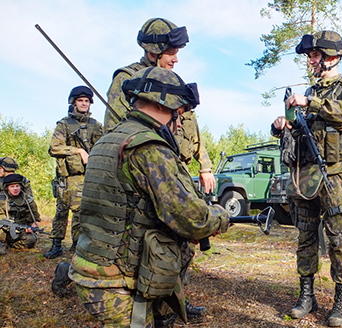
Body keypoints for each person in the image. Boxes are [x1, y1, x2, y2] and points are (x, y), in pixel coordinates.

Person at [68, 66, 229, 327]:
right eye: (179, 115)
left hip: (90, 269)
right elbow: (190, 217)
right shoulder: (149, 148)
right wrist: (220, 218)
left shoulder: (107, 140)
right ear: (169, 107)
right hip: (117, 284)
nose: (179, 125)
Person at [270, 30, 342, 326]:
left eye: (314, 56)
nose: (311, 61)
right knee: (305, 237)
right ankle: (306, 295)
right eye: (310, 56)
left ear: (331, 57)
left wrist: (310, 104)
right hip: (306, 176)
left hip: (335, 175)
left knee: (339, 239)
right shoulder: (309, 92)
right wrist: (282, 127)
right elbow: (302, 133)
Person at [103, 17, 215, 194]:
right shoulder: (128, 80)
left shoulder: (170, 83)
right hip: (146, 174)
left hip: (175, 169)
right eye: (171, 53)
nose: (176, 59)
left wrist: (205, 167)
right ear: (153, 53)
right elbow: (113, 132)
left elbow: (190, 124)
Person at [43, 86, 103, 259]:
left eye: (86, 101)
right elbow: (54, 148)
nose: (84, 104)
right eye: (80, 101)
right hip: (67, 176)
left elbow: (102, 146)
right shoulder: (64, 124)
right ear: (74, 102)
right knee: (62, 210)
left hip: (87, 175)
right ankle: (56, 244)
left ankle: (77, 244)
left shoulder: (96, 126)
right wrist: (77, 151)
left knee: (81, 211)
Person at [0, 174, 41, 254]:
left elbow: (36, 218)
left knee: (30, 241)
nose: (15, 189)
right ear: (7, 188)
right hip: (4, 228)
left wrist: (32, 227)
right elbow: (2, 219)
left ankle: (12, 244)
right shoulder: (1, 200)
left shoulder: (28, 200)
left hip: (21, 229)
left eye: (17, 186)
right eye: (12, 186)